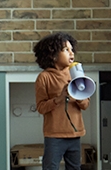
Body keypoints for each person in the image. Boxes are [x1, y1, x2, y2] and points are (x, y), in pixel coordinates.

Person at [33, 32, 89, 170]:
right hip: (54, 136)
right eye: (66, 50)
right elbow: (41, 107)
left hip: (75, 135)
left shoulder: (76, 74)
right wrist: (59, 98)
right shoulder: (44, 78)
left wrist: (78, 98)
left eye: (72, 49)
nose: (71, 53)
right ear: (52, 55)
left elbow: (86, 105)